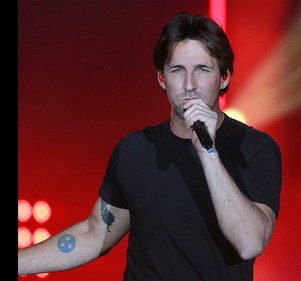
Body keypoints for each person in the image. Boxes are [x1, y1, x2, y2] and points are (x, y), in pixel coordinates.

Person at [18, 11, 282, 280]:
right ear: (161, 78)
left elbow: (250, 242)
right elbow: (95, 233)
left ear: (224, 77)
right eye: (177, 70)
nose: (189, 84)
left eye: (202, 70)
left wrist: (209, 153)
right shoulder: (135, 150)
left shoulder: (254, 148)